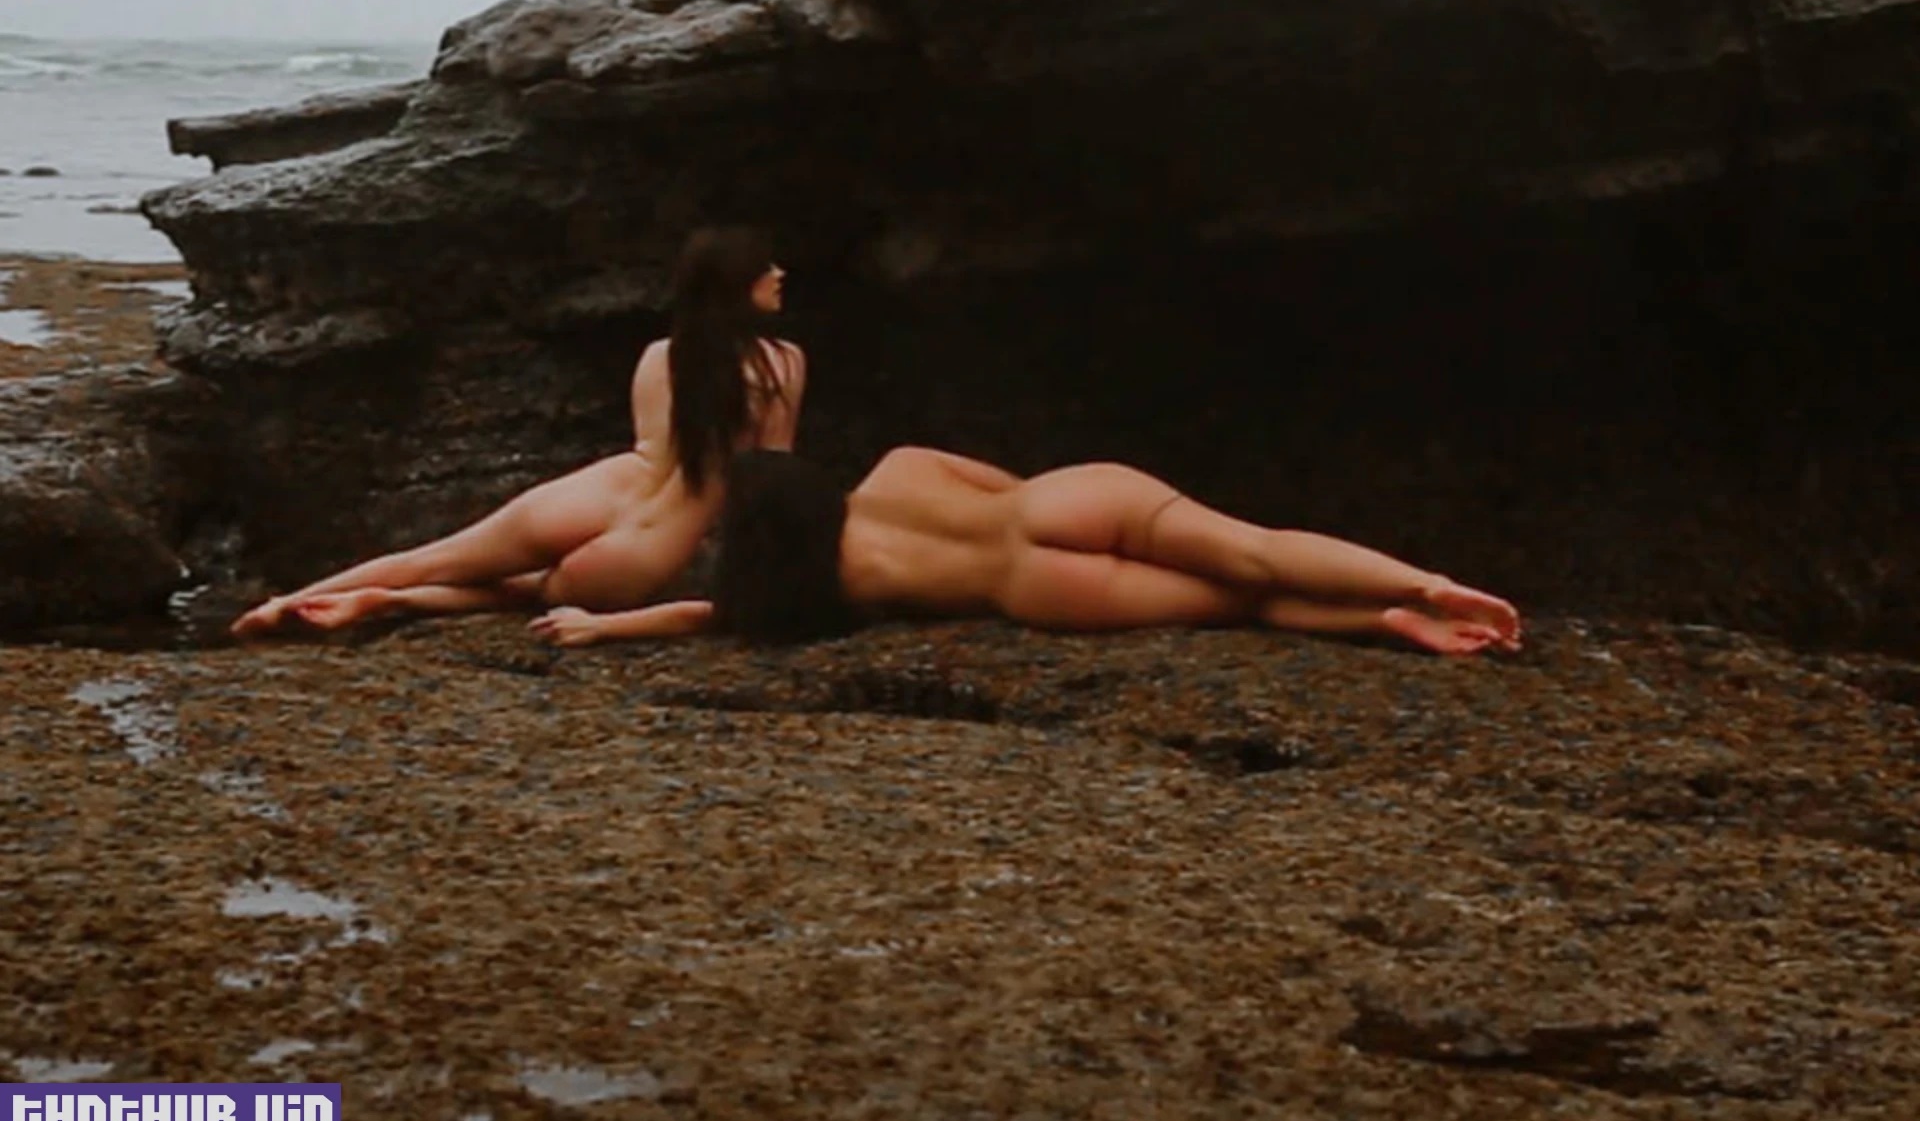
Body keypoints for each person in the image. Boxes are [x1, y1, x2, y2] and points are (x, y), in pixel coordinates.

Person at [231, 227, 805, 636]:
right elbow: (768, 482)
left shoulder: (661, 354)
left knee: (432, 556)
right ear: (739, 283)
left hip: (598, 492)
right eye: (767, 267)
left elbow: (653, 444)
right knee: (516, 594)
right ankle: (383, 602)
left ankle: (288, 602)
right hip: (643, 546)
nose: (780, 274)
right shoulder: (782, 363)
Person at [527, 447, 1522, 655]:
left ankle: (1394, 625)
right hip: (1059, 504)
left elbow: (711, 615)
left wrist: (604, 626)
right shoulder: (899, 465)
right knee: (1254, 551)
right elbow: (1001, 483)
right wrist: (1045, 507)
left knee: (1247, 607)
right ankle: (1425, 584)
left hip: (1034, 582)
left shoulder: (822, 580)